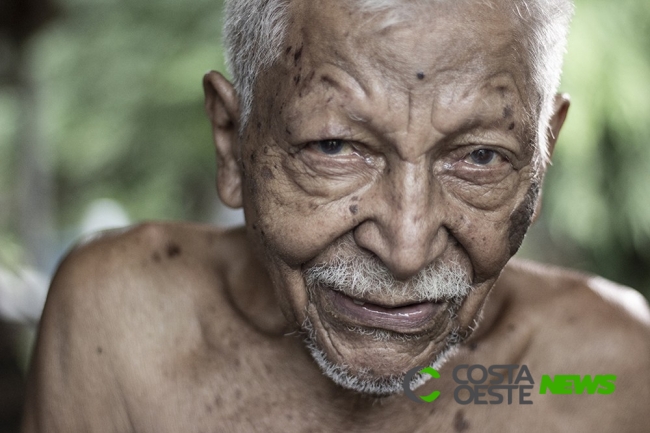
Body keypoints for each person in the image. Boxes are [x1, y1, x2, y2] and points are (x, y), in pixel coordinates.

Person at [22, 0, 650, 431]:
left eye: (480, 157)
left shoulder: (608, 373)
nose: (406, 248)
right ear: (231, 142)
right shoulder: (121, 327)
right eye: (334, 147)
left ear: (542, 158)